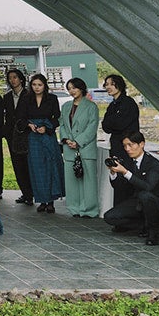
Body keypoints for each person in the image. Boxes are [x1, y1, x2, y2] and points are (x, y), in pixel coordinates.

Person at [104, 131, 159, 245]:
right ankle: (144, 224)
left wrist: (125, 172)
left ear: (141, 144)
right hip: (137, 201)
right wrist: (113, 173)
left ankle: (153, 233)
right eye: (125, 146)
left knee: (146, 195)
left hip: (157, 202)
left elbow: (148, 187)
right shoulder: (128, 162)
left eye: (130, 145)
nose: (127, 149)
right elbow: (119, 187)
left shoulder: (153, 163)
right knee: (110, 217)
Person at [59, 78, 101, 217]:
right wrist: (66, 139)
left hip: (85, 148)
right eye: (69, 88)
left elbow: (92, 127)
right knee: (71, 181)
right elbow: (62, 125)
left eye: (74, 88)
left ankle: (89, 209)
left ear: (81, 88)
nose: (72, 91)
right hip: (69, 148)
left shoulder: (91, 106)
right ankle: (74, 208)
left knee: (88, 181)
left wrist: (78, 141)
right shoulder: (66, 106)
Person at [24, 73, 64, 213]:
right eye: (34, 85)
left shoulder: (52, 98)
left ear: (44, 85)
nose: (37, 87)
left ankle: (51, 201)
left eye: (40, 85)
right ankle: (41, 200)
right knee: (36, 168)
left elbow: (57, 117)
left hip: (48, 135)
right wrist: (29, 125)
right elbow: (21, 117)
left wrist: (46, 128)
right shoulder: (26, 99)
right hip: (33, 137)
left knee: (50, 166)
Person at [3, 69, 33, 205]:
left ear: (21, 79)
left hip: (26, 133)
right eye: (10, 78)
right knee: (17, 164)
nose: (12, 80)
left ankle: (32, 192)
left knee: (28, 164)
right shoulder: (7, 97)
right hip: (12, 135)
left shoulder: (29, 95)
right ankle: (25, 193)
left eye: (15, 77)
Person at [101, 74, 141, 167]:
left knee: (128, 171)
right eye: (106, 84)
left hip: (128, 146)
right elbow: (105, 127)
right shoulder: (112, 105)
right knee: (117, 171)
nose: (108, 87)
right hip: (116, 145)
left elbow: (120, 124)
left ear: (120, 85)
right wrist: (112, 123)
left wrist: (111, 123)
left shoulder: (128, 102)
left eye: (112, 84)